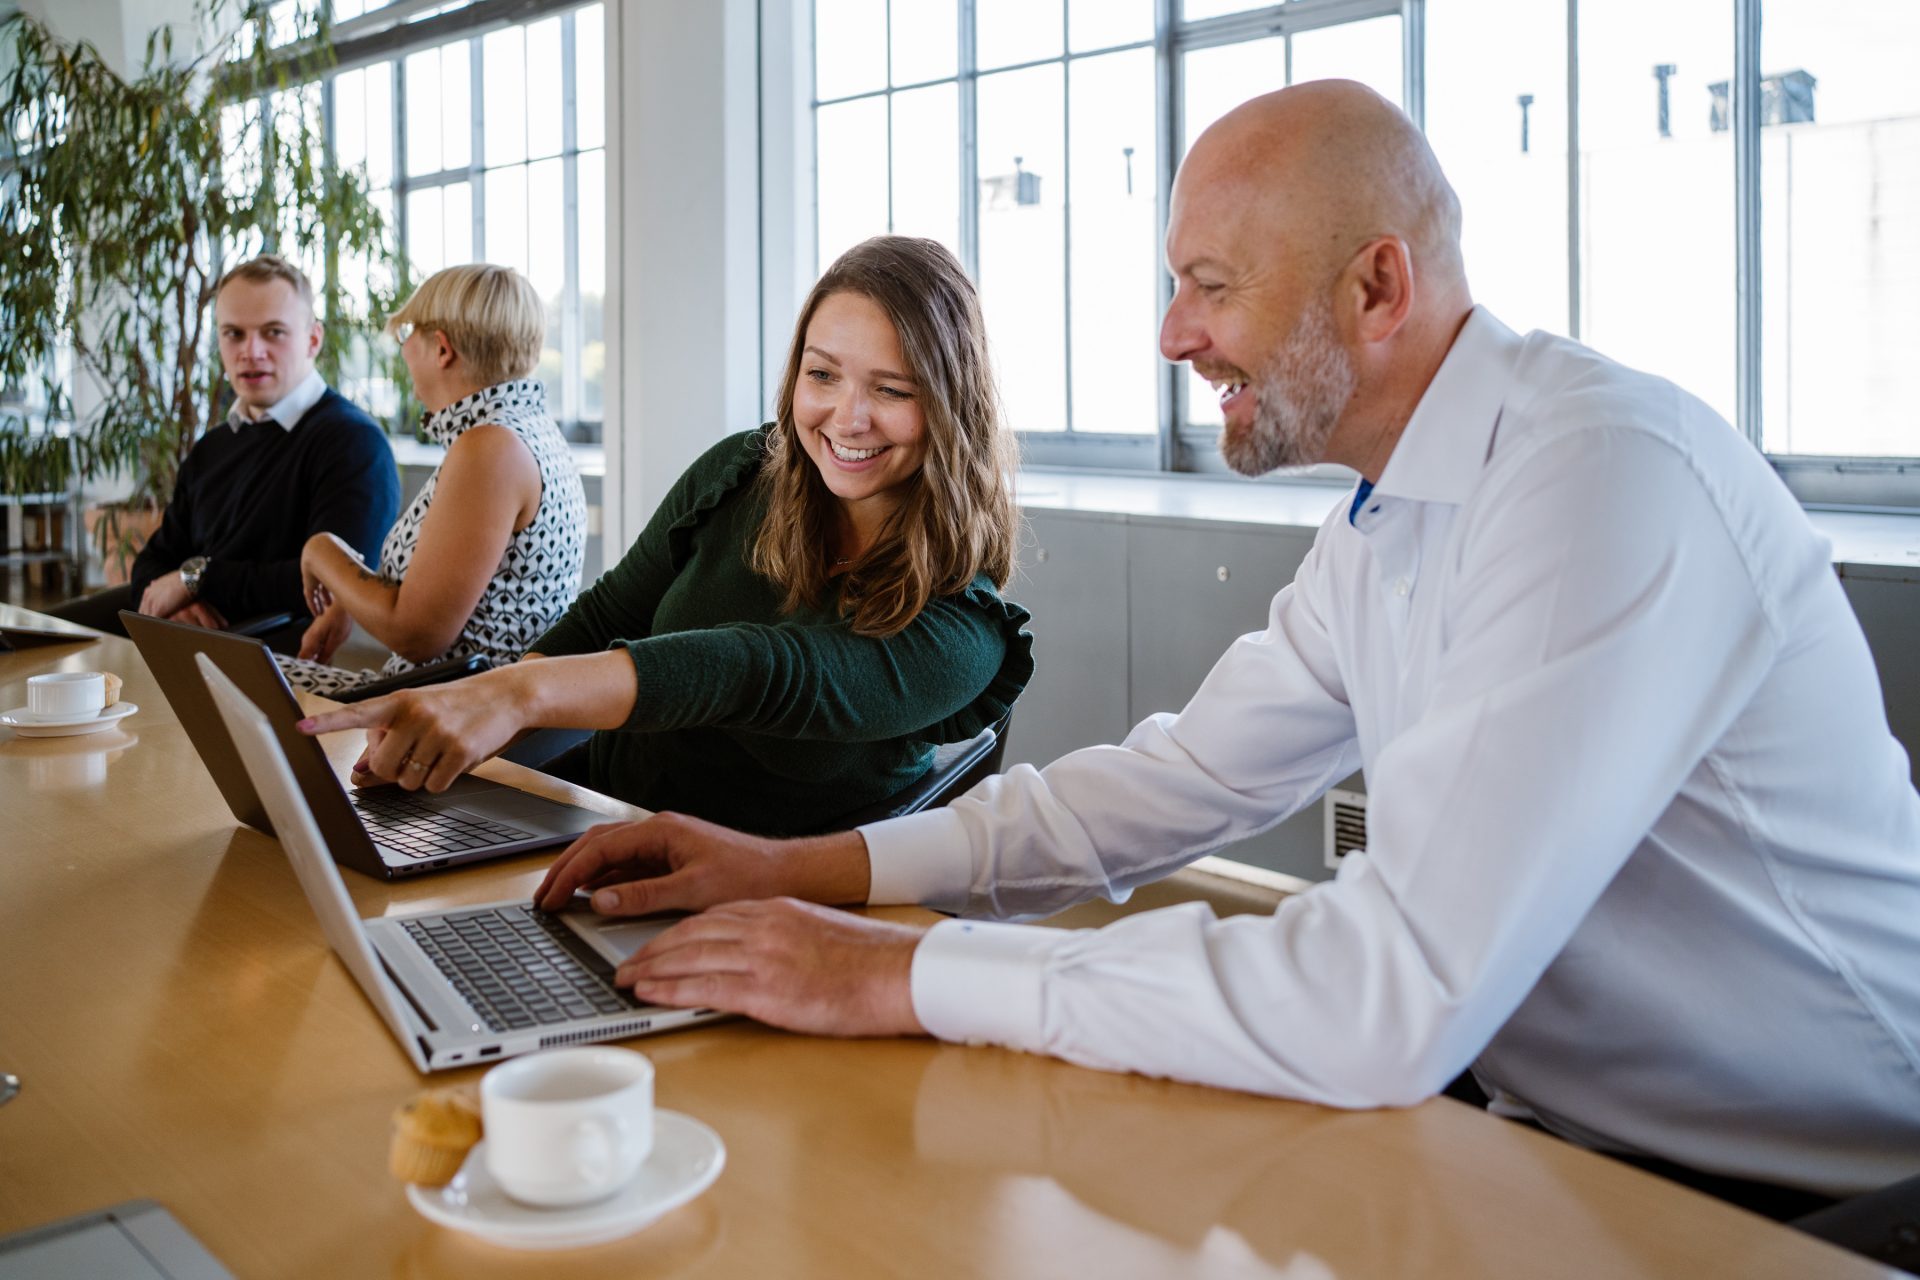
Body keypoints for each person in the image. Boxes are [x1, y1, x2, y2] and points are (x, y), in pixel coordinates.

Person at [517, 82, 1920, 1205]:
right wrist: (794, 872)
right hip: (1552, 1135)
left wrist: (901, 972)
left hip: (1809, 1194)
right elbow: (1165, 786)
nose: (1176, 333)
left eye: (1213, 284)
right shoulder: (1390, 523)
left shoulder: (1602, 478)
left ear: (1377, 288)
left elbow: (1389, 991)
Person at [302, 236, 1034, 837]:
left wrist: (515, 694)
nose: (847, 417)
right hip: (599, 822)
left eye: (892, 390)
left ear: (948, 405)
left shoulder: (965, 633)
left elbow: (757, 672)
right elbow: (607, 616)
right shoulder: (741, 473)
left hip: (758, 901)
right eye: (823, 376)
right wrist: (470, 725)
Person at [45, 255, 399, 641]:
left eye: (273, 332)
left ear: (313, 339)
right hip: (179, 626)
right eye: (234, 334)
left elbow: (335, 584)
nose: (251, 351)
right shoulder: (213, 446)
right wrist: (179, 598)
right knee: (28, 641)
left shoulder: (354, 443)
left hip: (257, 644)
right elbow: (154, 559)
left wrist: (198, 580)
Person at [277, 263, 587, 696]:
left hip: (451, 713)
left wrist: (321, 552)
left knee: (228, 675)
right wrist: (351, 597)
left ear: (441, 349)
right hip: (449, 698)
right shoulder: (524, 430)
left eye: (407, 337)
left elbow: (416, 635)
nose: (403, 354)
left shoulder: (490, 448)